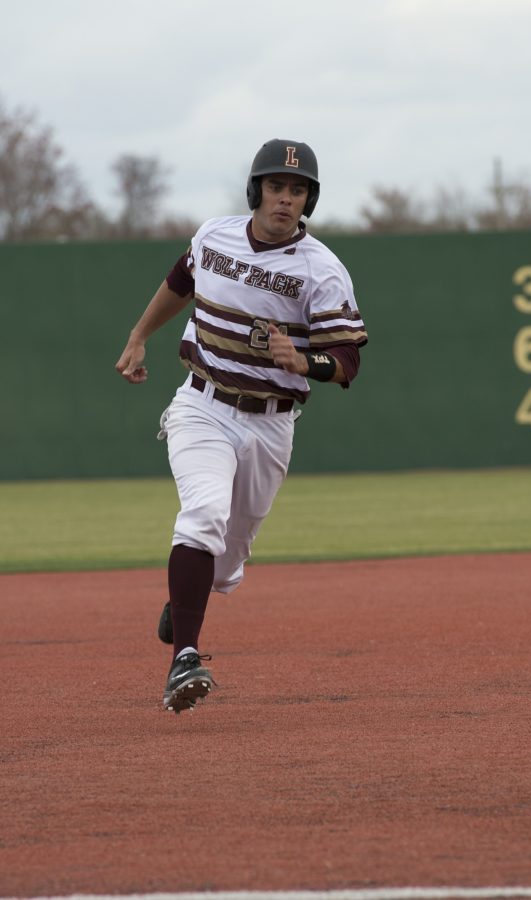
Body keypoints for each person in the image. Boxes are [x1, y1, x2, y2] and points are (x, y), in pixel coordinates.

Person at [115, 139, 368, 713]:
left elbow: (348, 360)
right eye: (276, 186)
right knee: (202, 515)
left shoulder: (322, 269)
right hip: (201, 404)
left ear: (309, 200)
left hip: (271, 425)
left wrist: (307, 361)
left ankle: (186, 600)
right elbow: (181, 282)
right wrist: (138, 336)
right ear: (256, 190)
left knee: (227, 562)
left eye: (298, 190)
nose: (286, 199)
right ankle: (185, 656)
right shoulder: (214, 236)